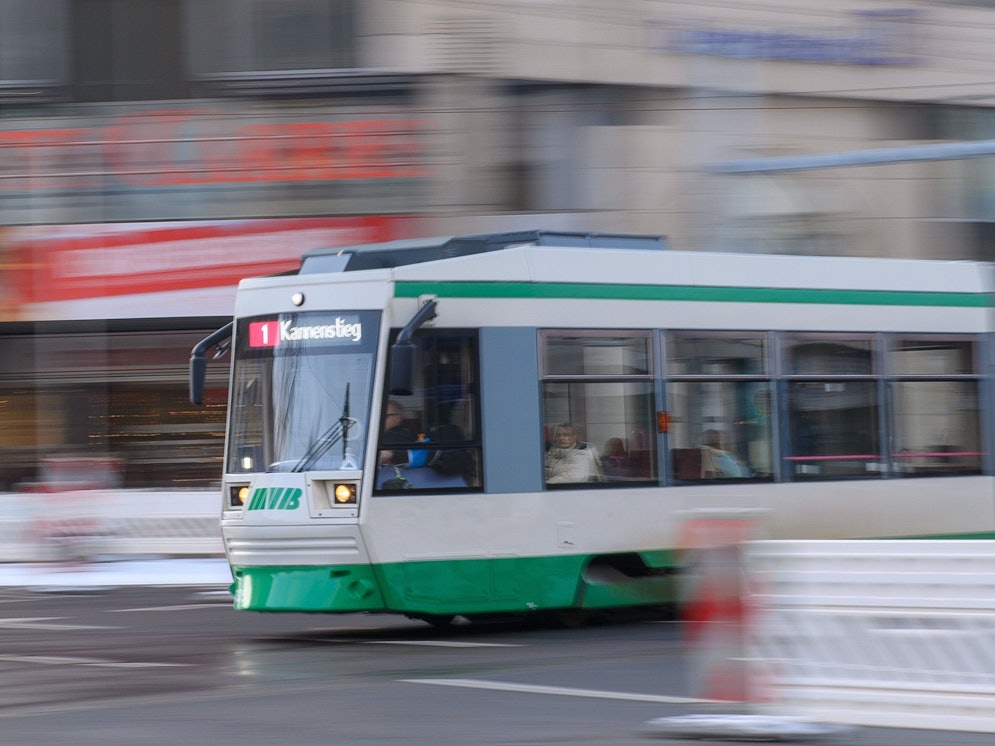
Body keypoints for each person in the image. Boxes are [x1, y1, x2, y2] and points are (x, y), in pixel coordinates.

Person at [380, 399, 415, 466]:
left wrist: (392, 454)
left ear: (398, 418)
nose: (379, 418)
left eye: (385, 416)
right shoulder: (373, 434)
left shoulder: (404, 437)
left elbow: (413, 456)